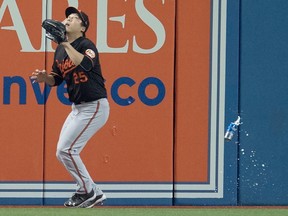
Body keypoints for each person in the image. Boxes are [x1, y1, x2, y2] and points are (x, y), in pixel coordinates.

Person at [31, 7, 109, 208]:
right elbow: (55, 79)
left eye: (74, 18)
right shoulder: (60, 49)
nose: (68, 20)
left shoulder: (86, 44)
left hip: (95, 106)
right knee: (62, 151)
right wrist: (45, 78)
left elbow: (84, 64)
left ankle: (86, 191)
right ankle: (94, 192)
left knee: (67, 150)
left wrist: (64, 43)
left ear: (83, 27)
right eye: (67, 17)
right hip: (78, 108)